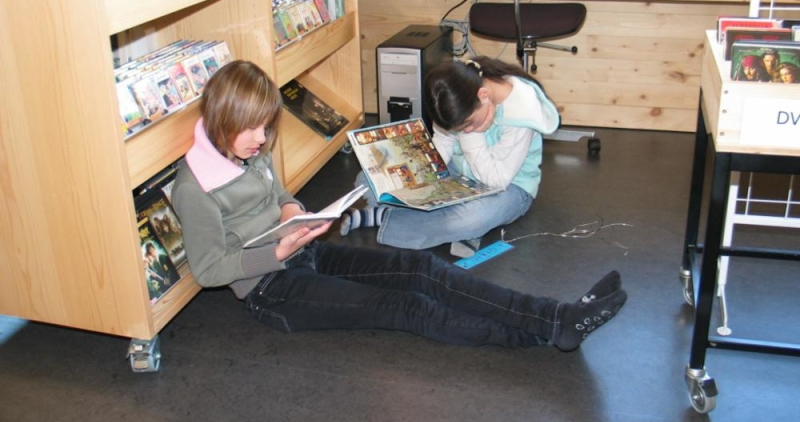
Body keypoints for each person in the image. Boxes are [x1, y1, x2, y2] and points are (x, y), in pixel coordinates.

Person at [170, 60, 627, 352]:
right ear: (223, 118)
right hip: (270, 289)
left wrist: (292, 213)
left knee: (422, 270)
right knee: (404, 306)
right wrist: (277, 252)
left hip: (303, 252)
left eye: (266, 127)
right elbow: (209, 270)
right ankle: (548, 331)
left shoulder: (251, 150)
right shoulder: (195, 187)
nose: (261, 138)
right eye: (252, 129)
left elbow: (280, 196)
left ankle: (555, 315)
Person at [341, 56, 560, 256]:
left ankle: (381, 216)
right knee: (368, 179)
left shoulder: (520, 113)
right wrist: (423, 172)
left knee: (473, 217)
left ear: (483, 96)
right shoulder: (454, 91)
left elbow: (496, 180)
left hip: (510, 188)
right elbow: (443, 145)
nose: (465, 129)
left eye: (467, 124)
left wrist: (472, 135)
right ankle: (460, 230)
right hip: (460, 172)